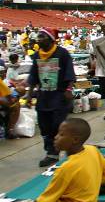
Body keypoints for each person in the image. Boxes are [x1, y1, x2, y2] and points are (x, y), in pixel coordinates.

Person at [26, 28, 76, 167]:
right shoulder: (37, 56)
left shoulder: (62, 53)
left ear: (50, 39)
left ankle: (64, 149)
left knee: (58, 125)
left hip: (59, 95)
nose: (38, 39)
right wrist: (29, 95)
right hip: (43, 96)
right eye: (38, 36)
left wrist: (68, 89)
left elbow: (69, 72)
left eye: (41, 36)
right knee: (44, 126)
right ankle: (51, 153)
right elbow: (33, 76)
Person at [0, 66, 20, 139]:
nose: (3, 74)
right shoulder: (2, 82)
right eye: (1, 73)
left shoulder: (6, 82)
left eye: (3, 73)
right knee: (16, 106)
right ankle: (10, 130)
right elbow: (9, 98)